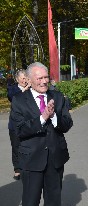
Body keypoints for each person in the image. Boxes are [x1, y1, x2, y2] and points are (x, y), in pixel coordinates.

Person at [10, 62, 73, 206]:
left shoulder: (57, 97)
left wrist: (54, 117)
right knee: (30, 201)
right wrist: (43, 117)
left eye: (46, 77)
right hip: (31, 160)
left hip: (55, 158)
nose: (44, 81)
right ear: (29, 80)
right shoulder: (19, 100)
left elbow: (67, 124)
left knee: (53, 201)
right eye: (39, 78)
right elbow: (19, 129)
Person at [7, 69, 30, 180]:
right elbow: (13, 97)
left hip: (29, 123)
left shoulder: (32, 89)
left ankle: (29, 167)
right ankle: (17, 169)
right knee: (16, 146)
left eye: (26, 78)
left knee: (29, 145)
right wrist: (25, 89)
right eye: (22, 78)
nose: (25, 80)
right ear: (17, 79)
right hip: (15, 124)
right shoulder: (13, 89)